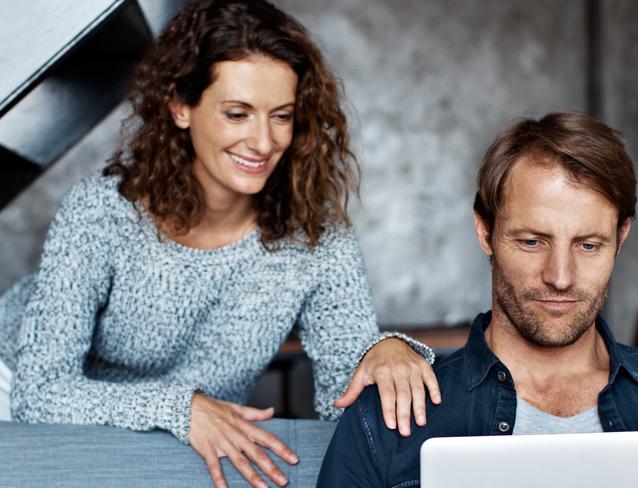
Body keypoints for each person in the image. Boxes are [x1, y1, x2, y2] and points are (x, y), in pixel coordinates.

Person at [0, 1, 441, 487]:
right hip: (14, 388)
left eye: (281, 116)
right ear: (180, 107)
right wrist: (180, 407)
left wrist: (385, 353)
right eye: (237, 113)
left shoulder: (317, 236)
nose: (262, 141)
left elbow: (344, 387)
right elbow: (40, 392)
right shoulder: (102, 213)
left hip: (170, 428)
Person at [317, 111, 638, 487]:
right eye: (531, 242)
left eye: (588, 245)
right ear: (485, 230)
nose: (560, 277)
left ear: (621, 237)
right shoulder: (386, 414)